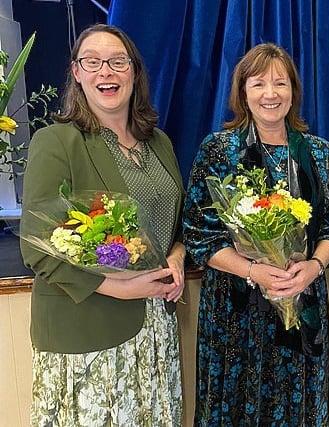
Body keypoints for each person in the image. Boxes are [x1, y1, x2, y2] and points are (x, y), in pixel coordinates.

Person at [20, 24, 185, 426]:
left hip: (155, 327)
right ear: (77, 73)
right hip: (87, 333)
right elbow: (36, 245)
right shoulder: (57, 141)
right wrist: (121, 288)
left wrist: (177, 257)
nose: (105, 72)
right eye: (92, 62)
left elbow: (173, 226)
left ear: (134, 72)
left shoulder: (158, 142)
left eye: (116, 62)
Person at [182, 43, 329, 426]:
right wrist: (253, 270)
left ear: (294, 92)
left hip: (302, 302)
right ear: (242, 92)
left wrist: (315, 266)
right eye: (258, 84)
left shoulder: (318, 153)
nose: (270, 94)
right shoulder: (220, 150)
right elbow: (198, 234)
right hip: (237, 312)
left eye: (280, 83)